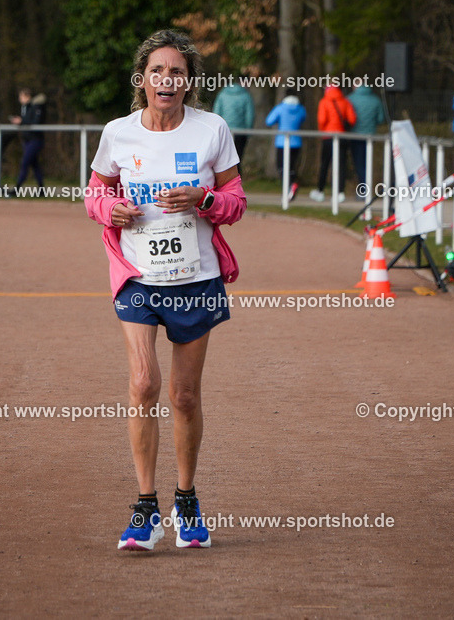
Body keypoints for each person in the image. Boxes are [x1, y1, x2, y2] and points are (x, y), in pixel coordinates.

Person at [84, 29, 246, 551]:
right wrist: (111, 209)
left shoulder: (212, 130)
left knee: (183, 394)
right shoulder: (119, 133)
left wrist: (204, 199)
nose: (167, 80)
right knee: (142, 382)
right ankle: (145, 507)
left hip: (195, 279)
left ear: (189, 82)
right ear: (143, 79)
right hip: (137, 276)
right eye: (158, 71)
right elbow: (94, 194)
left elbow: (237, 200)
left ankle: (187, 497)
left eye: (177, 71)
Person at [310, 85, 356, 203]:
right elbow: (352, 119)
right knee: (341, 165)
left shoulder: (324, 102)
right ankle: (340, 192)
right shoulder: (346, 101)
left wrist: (322, 132)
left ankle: (320, 190)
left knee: (325, 164)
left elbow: (322, 120)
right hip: (342, 137)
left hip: (328, 137)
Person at [345, 85, 387, 198]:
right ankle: (366, 189)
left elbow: (347, 118)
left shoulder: (350, 99)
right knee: (367, 163)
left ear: (355, 87)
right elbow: (381, 119)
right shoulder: (376, 100)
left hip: (355, 135)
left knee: (359, 164)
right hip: (370, 136)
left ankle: (363, 190)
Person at [265, 90, 307, 200]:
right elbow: (303, 118)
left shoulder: (281, 108)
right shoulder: (301, 109)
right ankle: (292, 185)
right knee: (292, 167)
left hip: (282, 142)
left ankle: (288, 188)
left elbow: (269, 121)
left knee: (281, 166)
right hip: (296, 142)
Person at [10, 88, 47, 194]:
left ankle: (17, 188)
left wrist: (22, 121)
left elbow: (36, 121)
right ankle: (41, 190)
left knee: (25, 163)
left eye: (21, 96)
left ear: (27, 96)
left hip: (35, 140)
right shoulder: (25, 108)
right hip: (27, 140)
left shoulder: (35, 106)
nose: (19, 99)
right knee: (35, 165)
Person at [211, 81, 255, 171]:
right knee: (238, 159)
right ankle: (237, 181)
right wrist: (248, 131)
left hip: (224, 132)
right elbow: (249, 115)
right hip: (241, 132)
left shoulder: (222, 94)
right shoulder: (246, 95)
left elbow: (216, 112)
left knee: (223, 160)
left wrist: (215, 130)